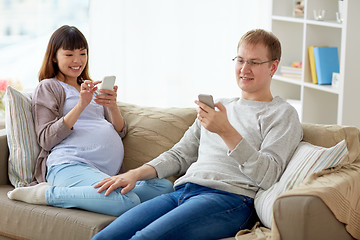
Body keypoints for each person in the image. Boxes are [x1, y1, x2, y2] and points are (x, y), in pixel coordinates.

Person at [91, 29, 303, 240]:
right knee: (104, 237)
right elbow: (179, 155)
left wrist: (226, 131)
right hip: (183, 192)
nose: (244, 69)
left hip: (229, 199)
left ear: (273, 67)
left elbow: (269, 175)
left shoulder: (282, 114)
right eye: (240, 60)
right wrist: (134, 175)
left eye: (254, 62)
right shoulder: (221, 107)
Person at [7, 25, 173, 216]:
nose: (77, 60)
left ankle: (94, 193)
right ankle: (47, 194)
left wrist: (112, 106)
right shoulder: (49, 87)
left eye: (82, 53)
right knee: (127, 201)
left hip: (106, 172)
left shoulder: (89, 87)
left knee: (164, 187)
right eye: (69, 54)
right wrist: (80, 105)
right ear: (54, 56)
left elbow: (120, 131)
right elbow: (46, 138)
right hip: (69, 165)